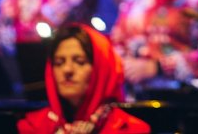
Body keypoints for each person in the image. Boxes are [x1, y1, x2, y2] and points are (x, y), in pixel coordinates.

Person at [17, 23, 150, 133]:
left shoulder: (131, 130)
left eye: (79, 62)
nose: (67, 70)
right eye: (59, 62)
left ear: (101, 69)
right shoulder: (32, 127)